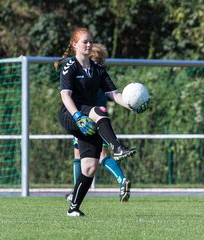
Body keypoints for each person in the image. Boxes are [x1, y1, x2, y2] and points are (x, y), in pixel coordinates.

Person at [55, 28, 148, 217]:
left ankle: (73, 208)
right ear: (74, 45)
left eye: (90, 41)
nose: (89, 45)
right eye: (84, 42)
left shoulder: (98, 70)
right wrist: (77, 117)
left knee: (89, 167)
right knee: (99, 111)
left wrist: (132, 106)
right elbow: (65, 96)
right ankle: (118, 147)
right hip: (70, 114)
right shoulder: (69, 66)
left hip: (87, 119)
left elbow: (115, 95)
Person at [66, 43, 131, 203]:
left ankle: (121, 180)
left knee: (96, 155)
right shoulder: (100, 73)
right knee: (85, 153)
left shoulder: (91, 75)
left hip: (88, 118)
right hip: (101, 118)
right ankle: (77, 192)